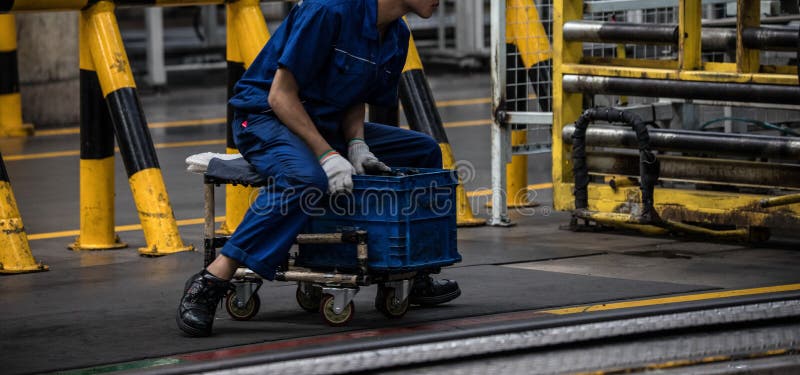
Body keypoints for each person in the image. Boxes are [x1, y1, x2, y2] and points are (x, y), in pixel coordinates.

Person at [177, 0, 461, 337]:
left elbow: (355, 94)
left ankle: (416, 275)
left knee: (422, 151)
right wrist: (327, 155)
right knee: (305, 178)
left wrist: (357, 145)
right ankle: (212, 279)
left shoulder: (396, 35)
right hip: (264, 118)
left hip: (325, 123)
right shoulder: (329, 9)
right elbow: (280, 96)